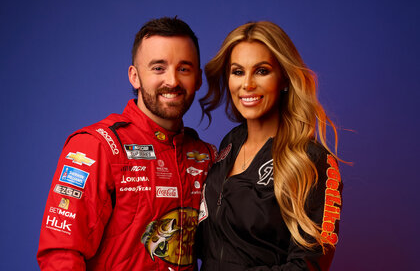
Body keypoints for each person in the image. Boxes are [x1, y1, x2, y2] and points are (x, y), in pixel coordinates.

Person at [37, 17, 216, 271]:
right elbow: (60, 254)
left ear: (198, 79)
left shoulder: (205, 155)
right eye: (158, 68)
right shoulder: (96, 146)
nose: (172, 81)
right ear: (135, 76)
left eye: (184, 69)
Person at [197, 21, 343, 270]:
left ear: (284, 79)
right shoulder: (230, 144)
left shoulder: (312, 161)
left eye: (262, 71)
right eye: (238, 72)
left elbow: (308, 266)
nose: (248, 84)